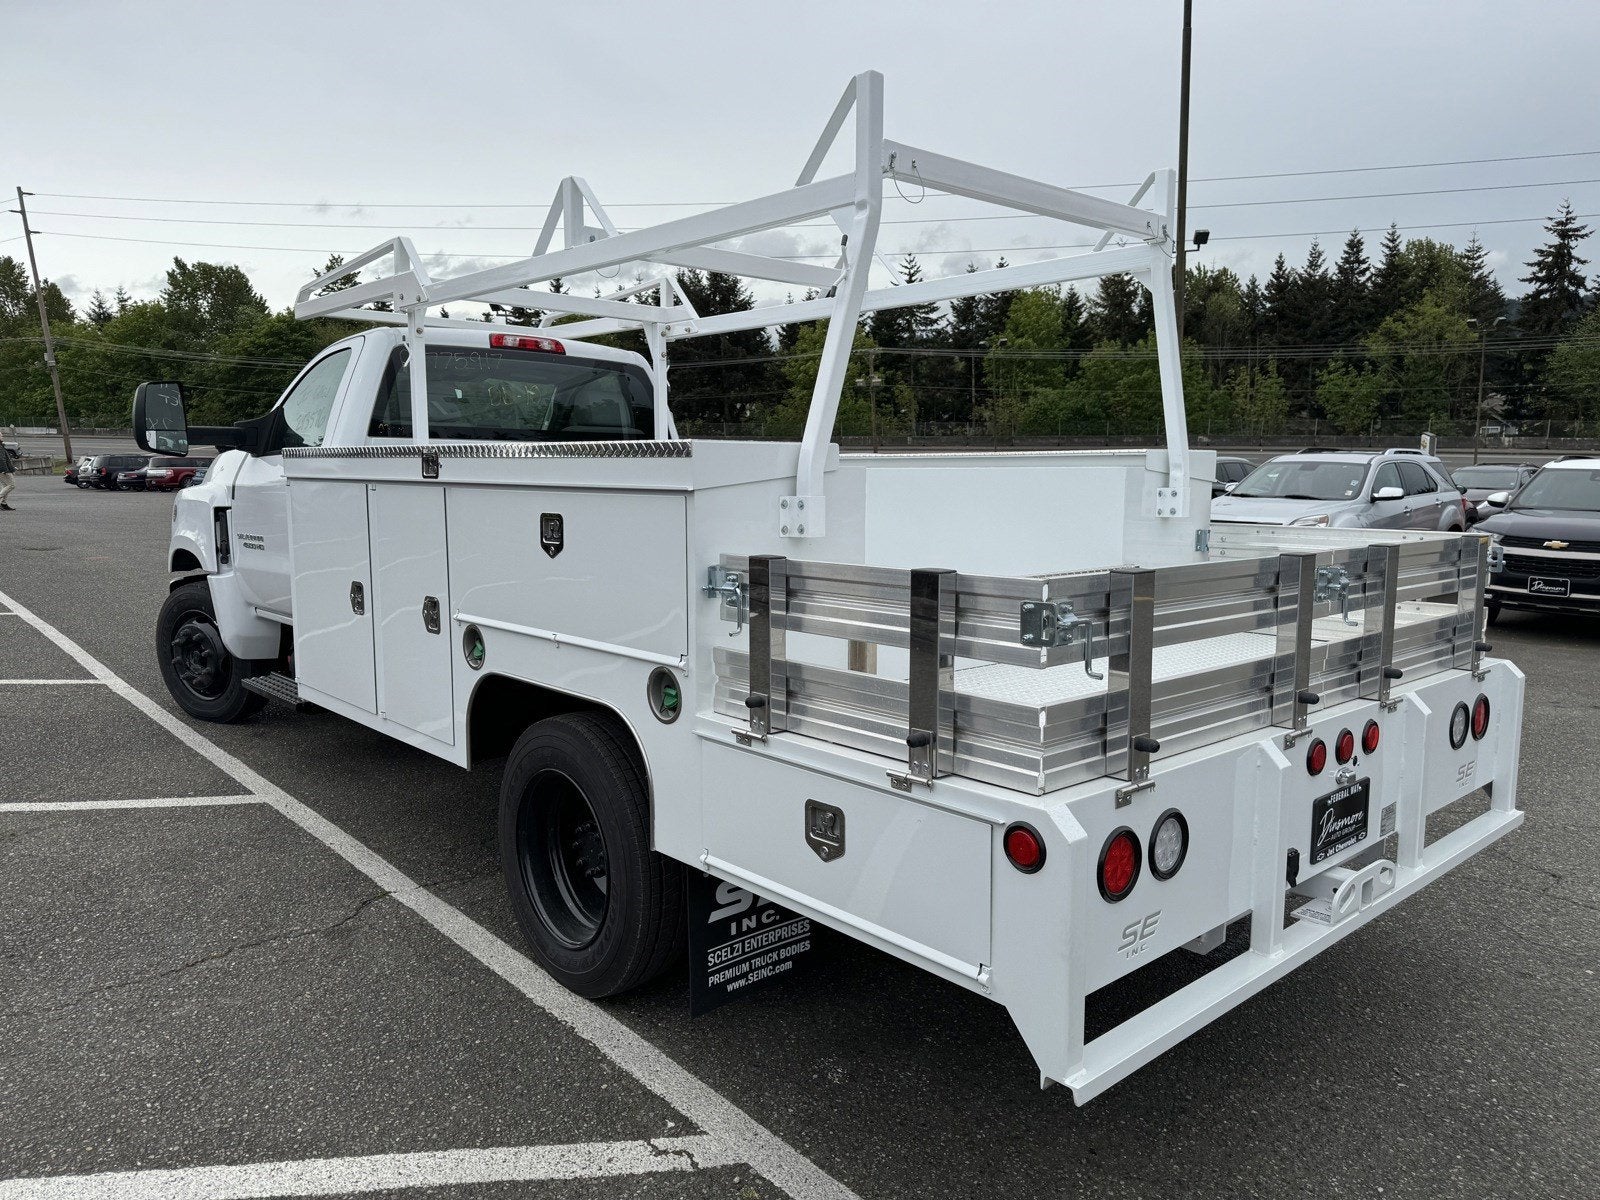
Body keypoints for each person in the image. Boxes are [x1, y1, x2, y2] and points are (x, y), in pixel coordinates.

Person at [0, 441, 17, 511]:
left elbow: (6, 459)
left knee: (5, 486)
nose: (2, 436)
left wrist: (12, 468)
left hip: (3, 470)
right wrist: (5, 470)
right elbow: (1, 460)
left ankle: (3, 504)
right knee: (11, 485)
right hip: (4, 471)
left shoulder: (1, 446)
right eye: (1, 435)